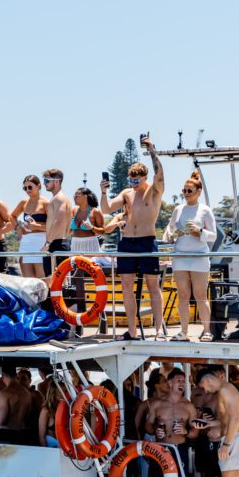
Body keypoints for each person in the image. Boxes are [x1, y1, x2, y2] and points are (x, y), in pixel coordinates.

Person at [100, 135, 165, 340]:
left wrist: (152, 150)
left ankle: (158, 331)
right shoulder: (127, 193)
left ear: (145, 178)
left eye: (136, 180)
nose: (133, 183)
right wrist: (103, 192)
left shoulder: (154, 191)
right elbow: (107, 208)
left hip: (147, 241)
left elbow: (160, 174)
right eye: (131, 180)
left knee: (153, 286)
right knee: (126, 286)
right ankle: (132, 330)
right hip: (127, 242)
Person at [163, 170, 217, 342]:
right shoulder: (178, 209)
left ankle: (207, 331)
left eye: (189, 191)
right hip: (180, 257)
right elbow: (168, 232)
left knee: (201, 295)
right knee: (183, 295)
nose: (186, 194)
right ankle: (183, 332)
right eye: (184, 191)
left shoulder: (205, 210)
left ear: (198, 192)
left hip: (199, 257)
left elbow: (214, 235)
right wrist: (172, 235)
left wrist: (199, 232)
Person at [145, 369, 198, 477]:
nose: (182, 383)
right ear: (169, 383)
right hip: (160, 450)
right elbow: (147, 426)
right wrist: (155, 431)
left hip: (179, 450)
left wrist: (186, 431)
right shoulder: (157, 404)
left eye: (184, 381)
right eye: (178, 380)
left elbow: (196, 433)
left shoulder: (189, 406)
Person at [7, 175, 49, 278]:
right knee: (28, 280)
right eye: (24, 188)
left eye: (30, 187)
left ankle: (46, 294)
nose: (27, 190)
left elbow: (53, 226)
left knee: (42, 279)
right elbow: (12, 216)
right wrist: (18, 227)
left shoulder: (46, 203)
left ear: (38, 185)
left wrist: (36, 226)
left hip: (41, 241)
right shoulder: (23, 202)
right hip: (26, 241)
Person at [41, 169, 72, 282]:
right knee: (57, 281)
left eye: (47, 180)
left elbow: (58, 221)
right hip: (59, 242)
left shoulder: (59, 198)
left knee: (55, 281)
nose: (44, 183)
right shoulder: (60, 198)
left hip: (57, 243)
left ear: (57, 182)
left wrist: (48, 243)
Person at [70, 187, 106, 255]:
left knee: (90, 265)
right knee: (74, 265)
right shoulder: (73, 211)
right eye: (74, 196)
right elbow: (69, 231)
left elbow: (103, 231)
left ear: (85, 197)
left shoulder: (95, 211)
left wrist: (91, 228)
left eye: (77, 196)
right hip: (75, 244)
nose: (74, 198)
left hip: (90, 245)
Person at [38, 380, 62, 447]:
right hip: (52, 447)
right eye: (60, 392)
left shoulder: (67, 409)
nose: (64, 394)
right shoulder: (46, 411)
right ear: (53, 393)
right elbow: (41, 437)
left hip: (65, 449)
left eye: (66, 391)